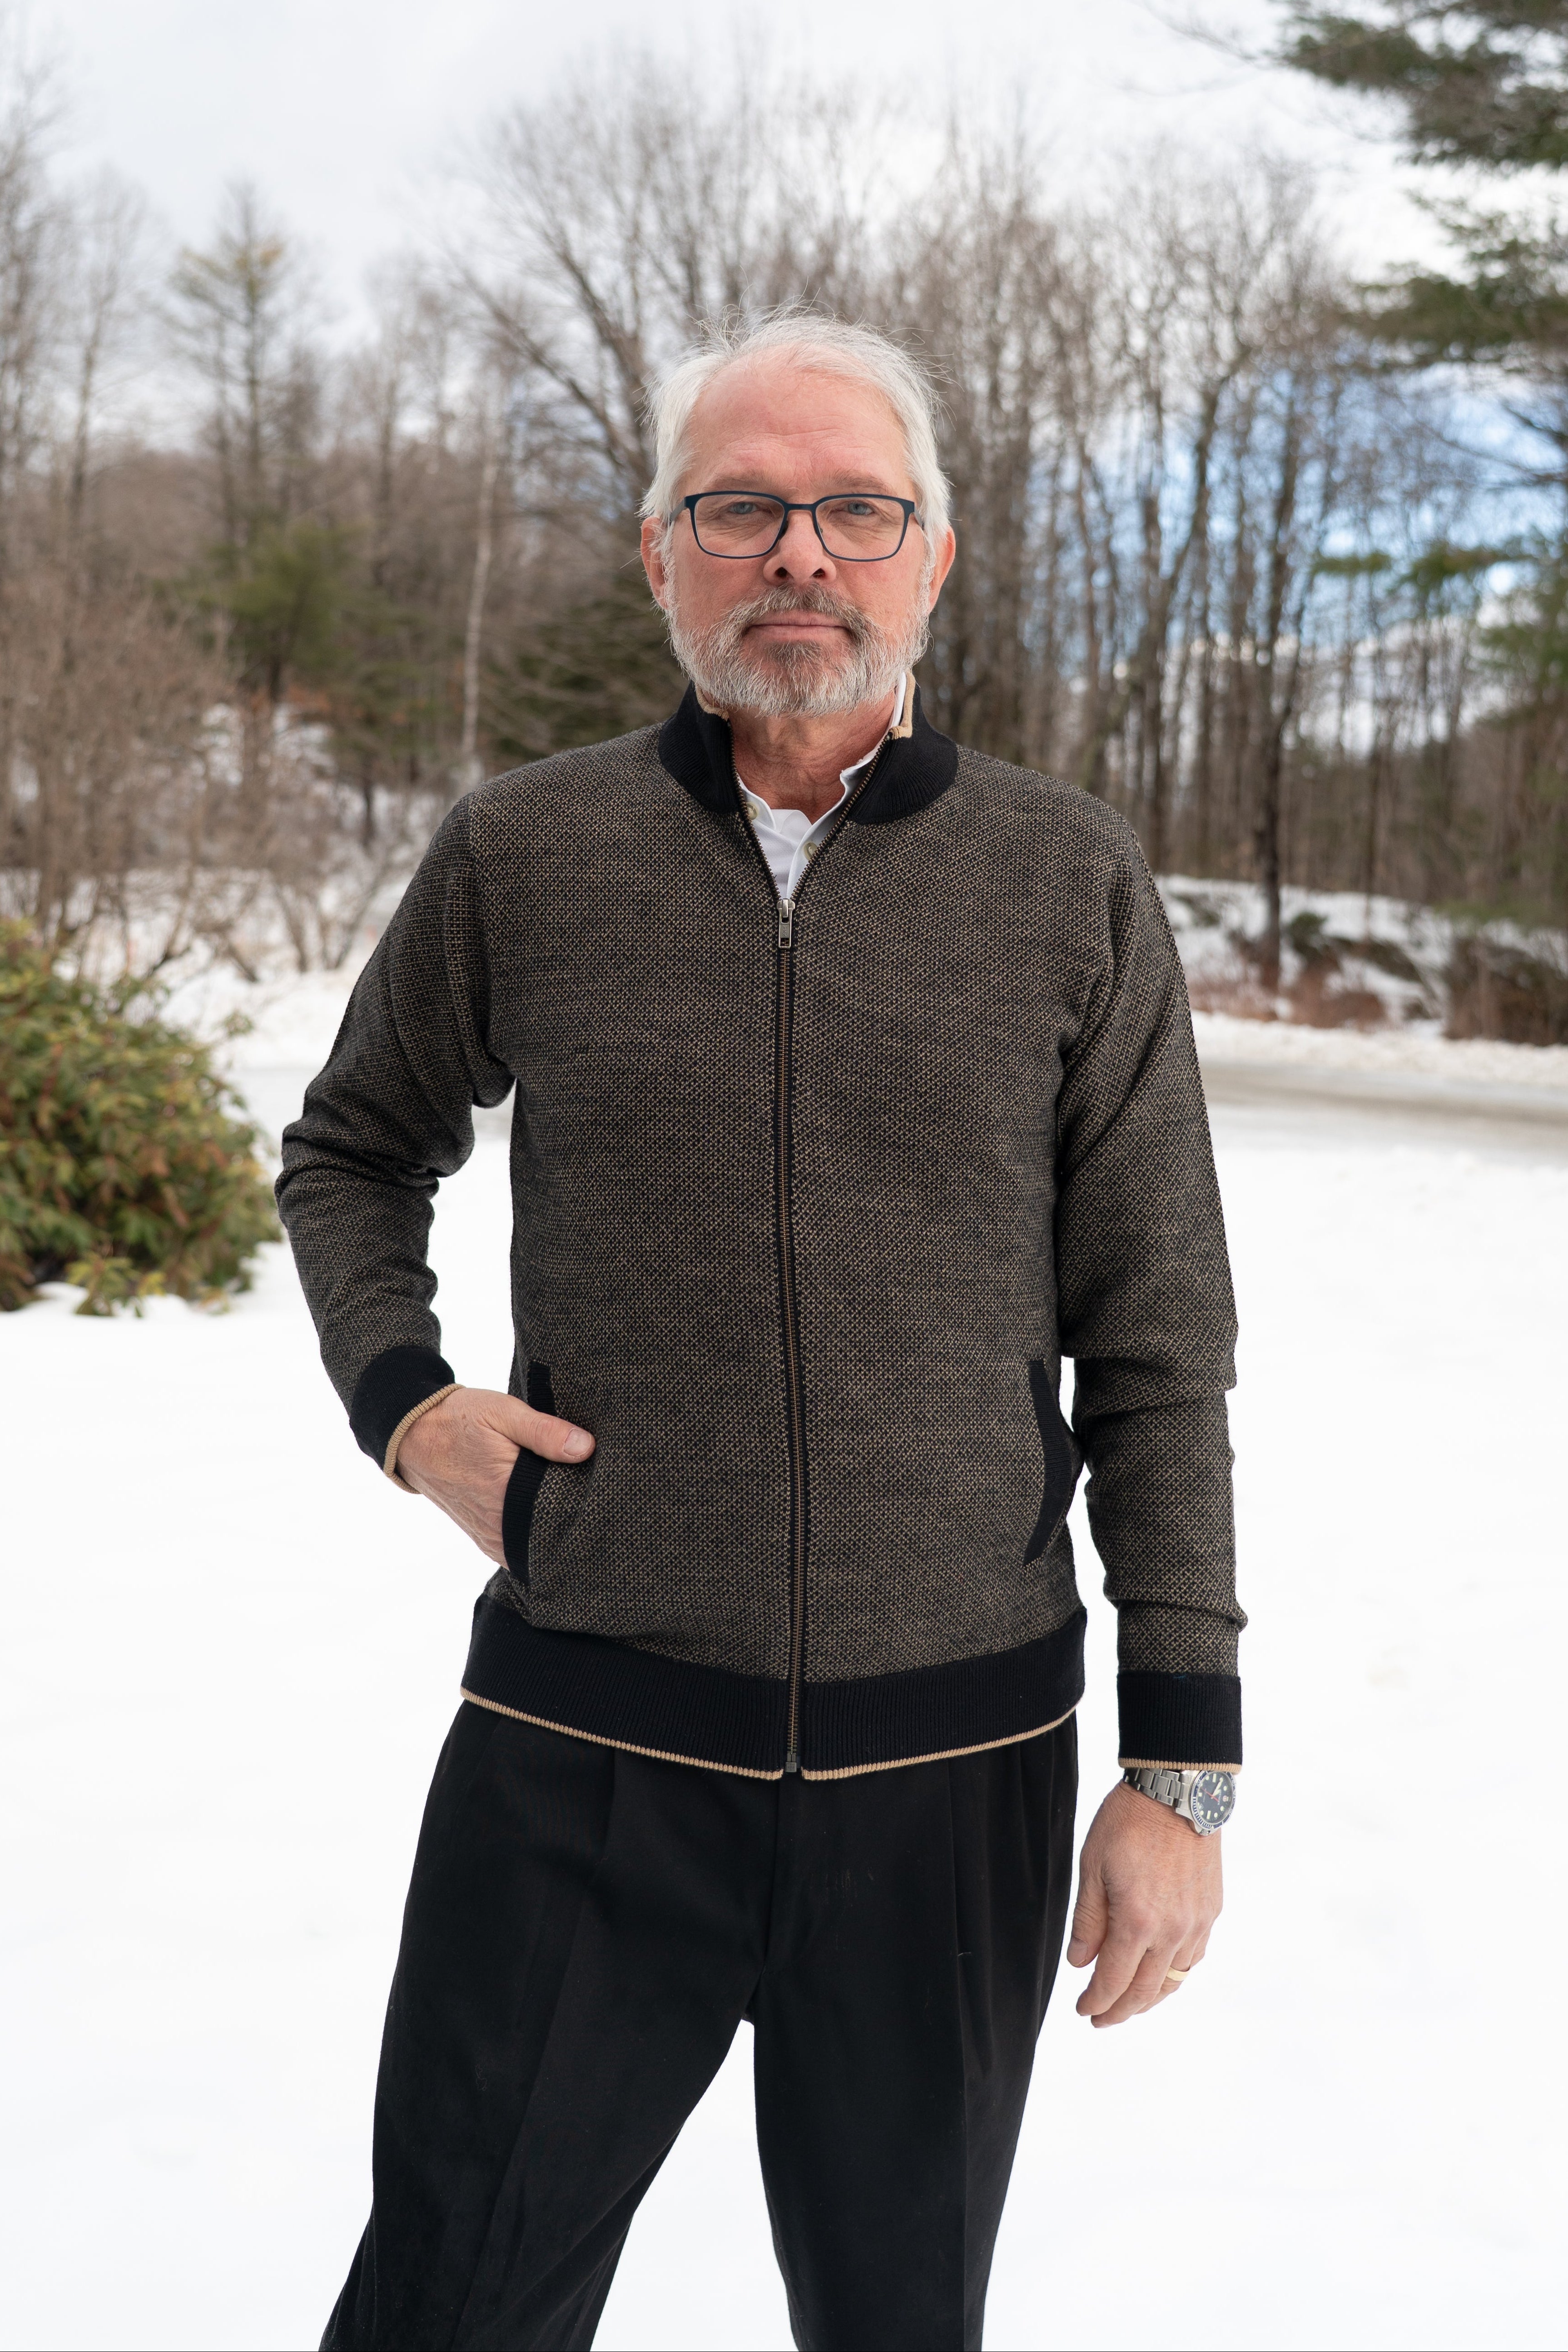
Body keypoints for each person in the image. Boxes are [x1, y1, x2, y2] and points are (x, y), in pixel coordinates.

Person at [277, 312, 1245, 2352]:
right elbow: (352, 1150)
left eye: (852, 509)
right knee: (447, 2303)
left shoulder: (1064, 879)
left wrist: (1184, 1762)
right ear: (661, 552)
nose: (795, 553)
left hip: (951, 1774)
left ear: (929, 557)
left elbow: (1154, 1338)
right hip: (584, 1748)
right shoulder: (521, 854)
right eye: (739, 507)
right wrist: (406, 1402)